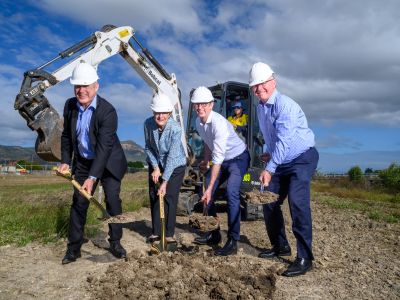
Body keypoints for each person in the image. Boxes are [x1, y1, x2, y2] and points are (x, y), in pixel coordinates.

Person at [249, 62, 319, 277]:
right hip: (282, 160)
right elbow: (275, 139)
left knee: (297, 204)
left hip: (302, 158)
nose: (260, 89)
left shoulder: (285, 106)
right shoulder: (260, 108)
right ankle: (280, 246)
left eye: (264, 84)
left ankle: (305, 258)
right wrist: (270, 155)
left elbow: (286, 141)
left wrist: (269, 168)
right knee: (268, 201)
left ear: (273, 81)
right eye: (256, 86)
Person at [58, 62, 128, 264]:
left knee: (112, 200)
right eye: (77, 86)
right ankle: (74, 248)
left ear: (96, 86)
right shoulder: (69, 105)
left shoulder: (108, 112)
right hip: (83, 161)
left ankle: (115, 242)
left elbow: (104, 148)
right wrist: (65, 161)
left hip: (108, 163)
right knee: (79, 202)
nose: (82, 90)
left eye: (86, 85)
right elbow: (66, 137)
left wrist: (92, 178)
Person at [191, 86, 250, 256]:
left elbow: (218, 158)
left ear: (211, 105)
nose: (200, 107)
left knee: (231, 192)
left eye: (204, 104)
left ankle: (233, 240)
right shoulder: (198, 122)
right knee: (204, 192)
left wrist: (211, 187)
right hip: (221, 159)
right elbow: (209, 144)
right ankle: (214, 233)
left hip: (238, 158)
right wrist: (205, 160)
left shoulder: (219, 123)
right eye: (197, 104)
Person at [144, 92, 186, 245]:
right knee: (155, 195)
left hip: (175, 165)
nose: (160, 116)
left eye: (164, 113)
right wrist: (155, 167)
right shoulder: (148, 124)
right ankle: (156, 232)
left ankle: (168, 233)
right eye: (157, 112)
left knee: (168, 196)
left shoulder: (176, 129)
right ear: (153, 112)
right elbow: (148, 147)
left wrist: (164, 182)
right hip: (156, 162)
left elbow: (173, 157)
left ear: (169, 113)